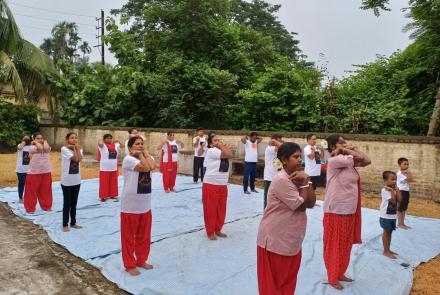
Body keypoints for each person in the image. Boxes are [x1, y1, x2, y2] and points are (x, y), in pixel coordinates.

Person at [257, 142, 316, 295]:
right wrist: (304, 182)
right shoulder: (281, 179)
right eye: (296, 157)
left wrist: (307, 181)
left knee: (288, 282)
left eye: (300, 157)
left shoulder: (298, 177)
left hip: (291, 238)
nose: (300, 160)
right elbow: (300, 205)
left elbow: (311, 203)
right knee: (274, 285)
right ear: (284, 160)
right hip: (276, 239)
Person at [323, 134, 371, 290]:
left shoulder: (348, 161)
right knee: (334, 244)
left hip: (349, 209)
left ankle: (340, 272)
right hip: (336, 209)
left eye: (345, 142)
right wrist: (345, 150)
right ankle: (332, 276)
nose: (345, 144)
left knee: (345, 244)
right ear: (332, 146)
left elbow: (367, 160)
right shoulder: (335, 161)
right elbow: (353, 158)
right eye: (341, 142)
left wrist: (352, 149)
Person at [120, 136, 156, 276]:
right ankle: (129, 264)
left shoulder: (145, 157)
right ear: (130, 148)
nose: (140, 145)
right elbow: (146, 167)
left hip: (145, 204)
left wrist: (144, 153)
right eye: (137, 144)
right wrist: (142, 155)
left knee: (144, 236)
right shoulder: (128, 160)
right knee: (129, 238)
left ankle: (141, 260)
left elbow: (153, 166)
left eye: (142, 144)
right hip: (130, 206)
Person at [202, 134, 233, 240]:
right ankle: (210, 231)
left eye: (219, 140)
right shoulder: (212, 151)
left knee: (221, 209)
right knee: (210, 209)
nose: (218, 142)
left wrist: (223, 146)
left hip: (222, 184)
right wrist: (222, 146)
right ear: (211, 144)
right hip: (211, 184)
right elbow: (228, 155)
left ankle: (217, 229)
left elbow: (230, 154)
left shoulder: (220, 150)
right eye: (215, 140)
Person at [24, 133, 53, 214]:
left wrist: (45, 141)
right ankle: (30, 208)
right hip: (34, 173)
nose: (40, 140)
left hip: (46, 171)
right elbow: (40, 148)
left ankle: (46, 206)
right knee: (31, 191)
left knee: (46, 190)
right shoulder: (32, 147)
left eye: (41, 138)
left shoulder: (45, 145)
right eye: (38, 138)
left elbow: (47, 149)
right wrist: (36, 143)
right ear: (33, 139)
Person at [61, 132, 83, 232]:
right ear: (67, 139)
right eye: (72, 138)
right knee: (67, 203)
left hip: (76, 180)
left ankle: (73, 222)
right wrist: (75, 149)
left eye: (75, 138)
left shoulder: (79, 149)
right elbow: (76, 159)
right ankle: (65, 224)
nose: (74, 139)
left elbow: (80, 159)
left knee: (74, 203)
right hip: (67, 181)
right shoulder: (64, 149)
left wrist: (76, 148)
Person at [380, 171, 402, 259]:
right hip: (385, 216)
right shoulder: (385, 190)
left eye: (395, 179)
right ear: (385, 180)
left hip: (393, 216)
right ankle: (385, 251)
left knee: (390, 233)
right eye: (392, 179)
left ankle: (388, 249)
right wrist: (392, 191)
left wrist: (397, 190)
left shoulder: (394, 189)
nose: (394, 181)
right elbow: (393, 201)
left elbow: (400, 200)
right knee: (386, 233)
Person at [98, 134, 124, 201]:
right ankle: (103, 196)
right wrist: (101, 139)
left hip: (113, 167)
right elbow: (100, 143)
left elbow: (122, 146)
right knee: (104, 183)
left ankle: (113, 194)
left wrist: (118, 141)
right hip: (104, 168)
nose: (109, 139)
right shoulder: (103, 146)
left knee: (113, 182)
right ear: (104, 139)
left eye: (110, 138)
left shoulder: (115, 145)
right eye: (107, 138)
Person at [263, 134, 283, 208]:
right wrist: (275, 141)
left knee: (276, 198)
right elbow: (283, 147)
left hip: (277, 176)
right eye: (279, 140)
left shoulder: (277, 149)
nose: (280, 142)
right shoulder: (270, 148)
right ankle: (266, 214)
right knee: (268, 198)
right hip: (269, 177)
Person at [396, 157, 413, 229]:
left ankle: (402, 223)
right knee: (400, 208)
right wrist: (409, 173)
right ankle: (399, 224)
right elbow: (411, 180)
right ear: (400, 165)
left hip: (406, 191)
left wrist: (407, 173)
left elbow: (410, 179)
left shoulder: (405, 173)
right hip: (401, 192)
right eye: (405, 164)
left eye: (407, 164)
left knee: (404, 208)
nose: (407, 166)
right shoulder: (400, 174)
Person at [16, 135, 32, 203]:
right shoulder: (20, 146)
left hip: (30, 170)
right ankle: (20, 198)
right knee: (21, 183)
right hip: (20, 170)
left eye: (27, 139)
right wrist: (24, 142)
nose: (26, 140)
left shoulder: (31, 147)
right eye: (25, 139)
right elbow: (19, 148)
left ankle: (28, 197)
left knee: (29, 185)